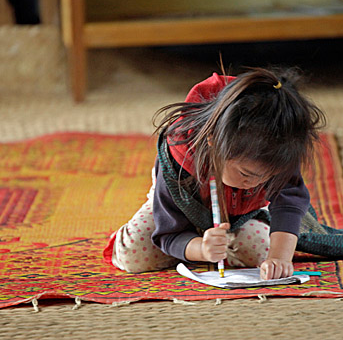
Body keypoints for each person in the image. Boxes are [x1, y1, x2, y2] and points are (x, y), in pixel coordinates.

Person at [103, 67, 326, 279]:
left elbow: (288, 202)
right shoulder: (179, 156)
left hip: (240, 210)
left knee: (261, 253)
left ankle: (204, 244)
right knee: (134, 255)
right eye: (246, 174)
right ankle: (187, 243)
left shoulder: (279, 149)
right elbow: (167, 235)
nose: (256, 183)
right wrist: (201, 250)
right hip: (178, 209)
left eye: (266, 178)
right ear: (212, 141)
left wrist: (280, 258)